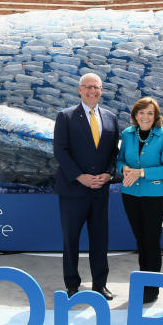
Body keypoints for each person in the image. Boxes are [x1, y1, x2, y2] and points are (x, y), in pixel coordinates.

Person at [53, 73, 119, 299]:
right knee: (71, 239)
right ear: (80, 90)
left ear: (102, 90)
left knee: (100, 239)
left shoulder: (110, 118)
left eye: (97, 87)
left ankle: (100, 284)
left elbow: (114, 154)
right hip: (73, 190)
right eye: (88, 87)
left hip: (100, 191)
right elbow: (60, 151)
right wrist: (79, 176)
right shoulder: (65, 116)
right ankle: (72, 284)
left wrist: (109, 174)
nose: (93, 91)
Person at [116, 97, 163, 304]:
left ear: (156, 116)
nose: (145, 116)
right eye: (142, 112)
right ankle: (144, 284)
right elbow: (120, 159)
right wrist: (123, 168)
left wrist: (141, 172)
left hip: (154, 196)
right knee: (140, 240)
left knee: (151, 241)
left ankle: (152, 290)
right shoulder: (127, 134)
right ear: (135, 115)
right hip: (130, 194)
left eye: (150, 113)